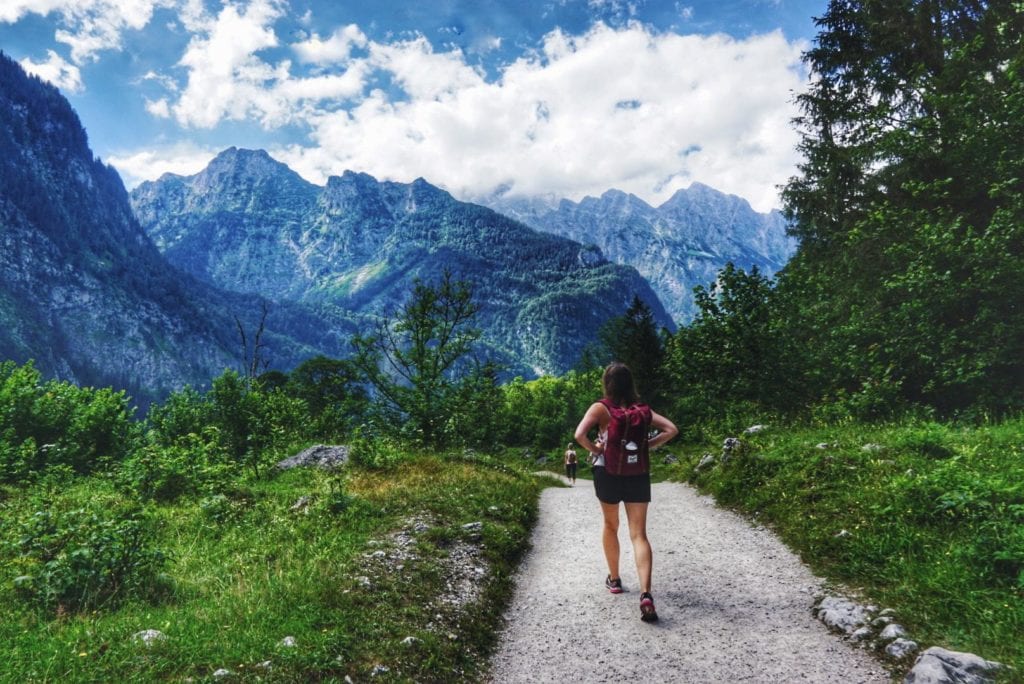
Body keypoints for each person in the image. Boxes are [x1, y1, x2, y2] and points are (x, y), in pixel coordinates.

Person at [574, 362, 678, 622]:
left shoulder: (601, 408)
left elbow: (579, 435)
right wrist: (647, 446)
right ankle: (645, 594)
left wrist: (598, 451)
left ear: (606, 383)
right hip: (638, 474)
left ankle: (616, 580)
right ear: (630, 383)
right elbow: (672, 429)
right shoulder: (641, 410)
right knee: (639, 534)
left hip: (607, 473)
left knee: (611, 525)